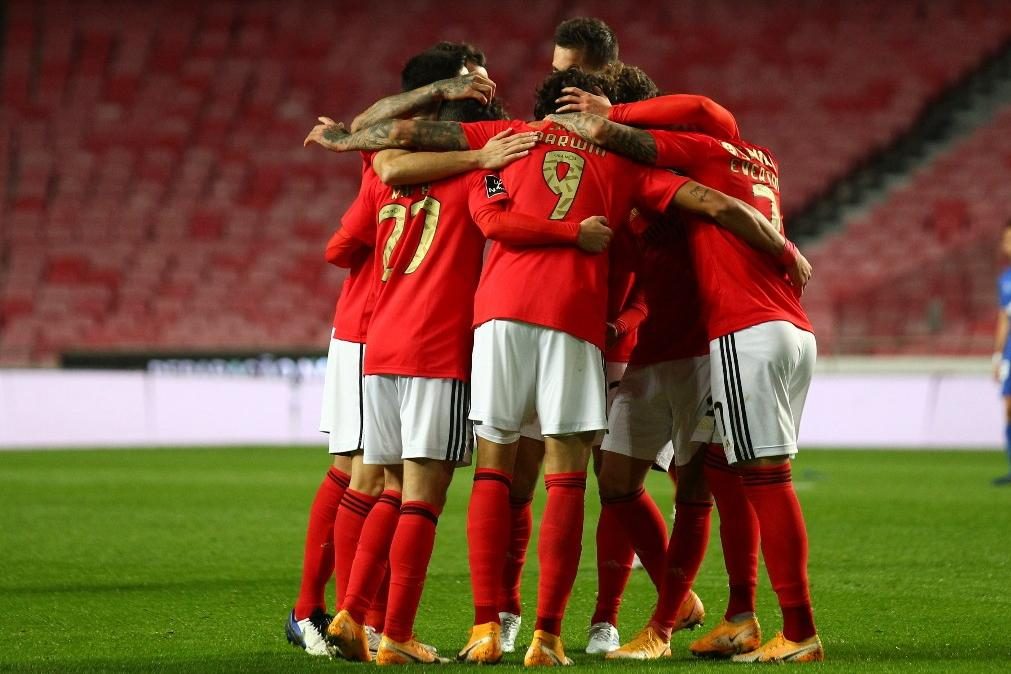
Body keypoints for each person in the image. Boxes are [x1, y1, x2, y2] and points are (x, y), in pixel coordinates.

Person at [306, 65, 801, 666]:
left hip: (492, 321)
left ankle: (485, 626)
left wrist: (345, 139)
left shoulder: (508, 135)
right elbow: (707, 198)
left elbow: (403, 143)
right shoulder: (620, 159)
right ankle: (547, 635)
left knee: (492, 467)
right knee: (570, 477)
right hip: (576, 321)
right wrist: (782, 247)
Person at [549, 107, 823, 663]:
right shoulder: (758, 163)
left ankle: (767, 628)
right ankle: (741, 618)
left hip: (729, 338)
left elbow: (699, 121)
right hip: (737, 334)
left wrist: (607, 119)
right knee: (648, 477)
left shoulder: (690, 167)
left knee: (744, 480)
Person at [993, 221, 1011, 485]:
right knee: (1008, 408)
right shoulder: (1005, 279)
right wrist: (997, 356)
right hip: (1010, 352)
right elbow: (1003, 318)